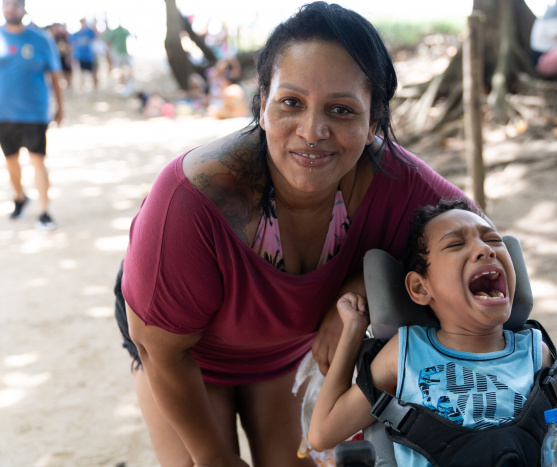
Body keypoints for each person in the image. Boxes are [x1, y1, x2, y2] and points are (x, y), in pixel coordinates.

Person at [115, 2, 474, 465]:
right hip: (181, 355)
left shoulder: (398, 181)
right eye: (291, 103)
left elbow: (478, 245)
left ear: (374, 121)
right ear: (262, 103)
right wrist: (216, 458)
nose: (312, 130)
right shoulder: (194, 198)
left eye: (342, 110)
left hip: (277, 350)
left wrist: (363, 283)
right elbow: (160, 350)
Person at [308, 198, 557, 465]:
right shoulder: (405, 354)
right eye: (456, 244)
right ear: (420, 287)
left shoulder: (535, 352)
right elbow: (323, 433)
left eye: (494, 240)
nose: (485, 250)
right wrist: (353, 332)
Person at [0, 0, 63, 230]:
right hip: (3, 113)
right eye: (6, 4)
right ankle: (20, 198)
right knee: (11, 162)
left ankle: (44, 212)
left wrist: (60, 108)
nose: (10, 8)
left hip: (34, 113)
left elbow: (55, 78)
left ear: (24, 9)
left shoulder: (41, 40)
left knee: (37, 161)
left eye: (16, 4)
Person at [71, 18, 98, 90]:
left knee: (93, 72)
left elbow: (96, 35)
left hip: (90, 56)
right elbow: (73, 45)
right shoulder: (77, 34)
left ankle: (95, 87)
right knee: (82, 73)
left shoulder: (89, 32)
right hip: (81, 56)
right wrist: (74, 56)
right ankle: (83, 87)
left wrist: (95, 23)